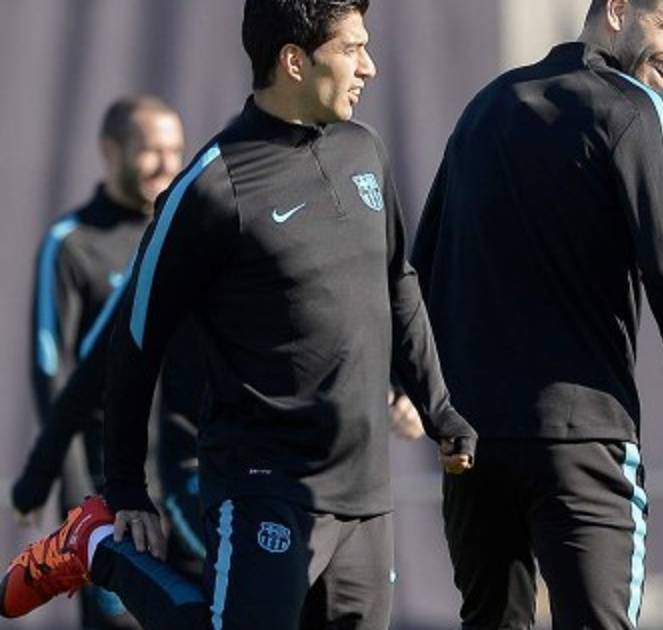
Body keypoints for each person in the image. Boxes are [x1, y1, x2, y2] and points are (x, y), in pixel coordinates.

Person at [0, 1, 475, 628]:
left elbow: (397, 285)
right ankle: (99, 548)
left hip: (364, 492)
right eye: (352, 49)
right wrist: (124, 488)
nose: (370, 67)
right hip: (259, 483)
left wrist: (439, 409)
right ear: (295, 61)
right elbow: (133, 342)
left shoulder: (365, 152)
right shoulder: (209, 188)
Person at [411, 0, 663, 627]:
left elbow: (419, 273)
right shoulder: (633, 107)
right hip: (582, 441)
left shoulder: (487, 106)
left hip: (476, 446)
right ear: (617, 9)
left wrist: (427, 398)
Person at [27, 94, 184, 629]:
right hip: (112, 502)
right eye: (151, 150)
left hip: (185, 490)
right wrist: (81, 510)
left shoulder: (185, 236)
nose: (166, 164)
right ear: (111, 151)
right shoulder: (71, 245)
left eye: (175, 151)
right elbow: (54, 379)